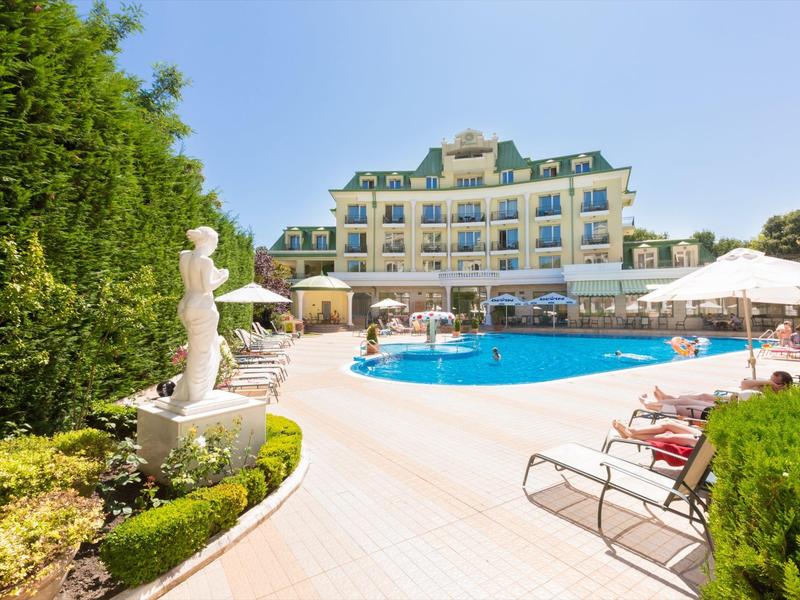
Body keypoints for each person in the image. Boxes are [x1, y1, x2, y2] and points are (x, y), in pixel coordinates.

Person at [639, 371, 793, 416]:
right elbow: (744, 384)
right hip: (732, 401)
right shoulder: (766, 387)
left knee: (685, 404)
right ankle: (665, 399)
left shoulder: (776, 399)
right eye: (771, 380)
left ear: (784, 386)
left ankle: (654, 403)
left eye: (775, 382)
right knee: (703, 396)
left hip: (730, 406)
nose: (771, 383)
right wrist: (767, 382)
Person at [612, 419, 701, 448]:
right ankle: (633, 431)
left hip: (703, 444)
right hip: (704, 436)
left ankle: (630, 434)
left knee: (668, 437)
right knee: (668, 424)